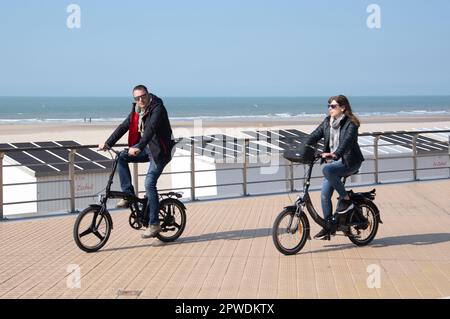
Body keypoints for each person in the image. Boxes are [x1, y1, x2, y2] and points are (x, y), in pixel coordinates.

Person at [99, 85, 175, 238]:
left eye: (143, 96)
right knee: (121, 157)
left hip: (161, 151)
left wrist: (139, 146)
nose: (141, 100)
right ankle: (128, 195)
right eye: (137, 97)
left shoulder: (157, 108)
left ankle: (154, 224)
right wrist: (108, 143)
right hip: (147, 148)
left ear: (148, 94)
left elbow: (150, 130)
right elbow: (124, 126)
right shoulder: (137, 110)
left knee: (149, 183)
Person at [304, 95, 365, 240]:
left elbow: (347, 142)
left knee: (326, 170)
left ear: (343, 108)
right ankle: (328, 227)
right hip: (334, 163)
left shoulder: (351, 123)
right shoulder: (327, 122)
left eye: (333, 106)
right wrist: (302, 147)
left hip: (349, 161)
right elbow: (314, 136)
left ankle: (346, 199)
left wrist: (335, 154)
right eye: (329, 106)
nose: (329, 109)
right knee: (325, 195)